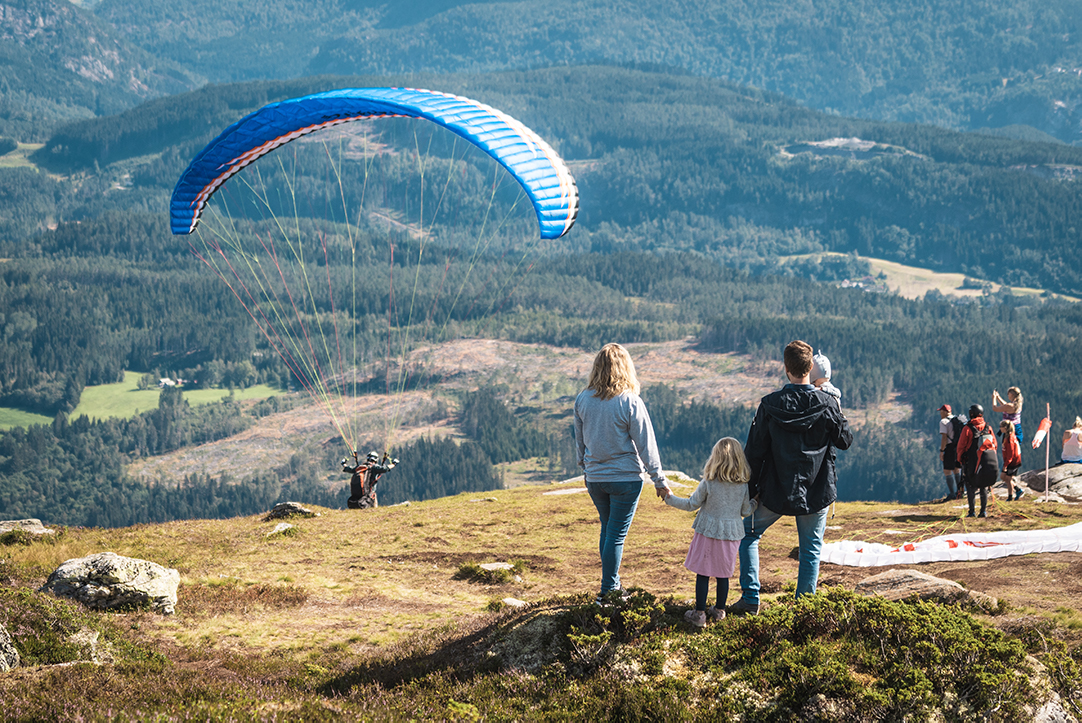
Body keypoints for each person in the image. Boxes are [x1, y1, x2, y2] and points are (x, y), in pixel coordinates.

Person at [732, 340, 853, 615]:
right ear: (810, 367)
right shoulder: (827, 404)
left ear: (785, 368)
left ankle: (751, 597)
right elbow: (845, 440)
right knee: (810, 549)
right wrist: (837, 408)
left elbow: (754, 453)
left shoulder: (769, 405)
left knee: (748, 534)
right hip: (816, 489)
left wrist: (751, 493)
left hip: (775, 489)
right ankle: (804, 608)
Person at [574, 343, 670, 601]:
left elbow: (580, 441)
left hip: (595, 479)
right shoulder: (629, 401)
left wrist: (585, 468)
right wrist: (658, 479)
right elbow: (646, 443)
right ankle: (607, 593)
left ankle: (612, 586)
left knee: (607, 530)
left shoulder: (582, 399)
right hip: (625, 478)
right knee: (615, 535)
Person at [662, 437, 755, 627]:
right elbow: (745, 511)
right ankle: (720, 611)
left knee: (703, 573)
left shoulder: (709, 482)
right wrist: (756, 502)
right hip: (731, 535)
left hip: (708, 532)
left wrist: (668, 498)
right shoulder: (743, 485)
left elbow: (690, 504)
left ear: (715, 458)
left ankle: (699, 614)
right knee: (723, 574)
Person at [956, 404, 998, 518]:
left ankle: (972, 512)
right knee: (984, 485)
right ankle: (983, 511)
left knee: (970, 486)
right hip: (985, 462)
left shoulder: (967, 428)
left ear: (971, 414)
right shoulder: (988, 428)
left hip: (971, 461)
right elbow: (995, 444)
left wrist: (959, 459)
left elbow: (961, 446)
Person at [938, 404, 964, 500]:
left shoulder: (943, 421)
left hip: (949, 447)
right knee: (957, 469)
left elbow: (944, 437)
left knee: (947, 470)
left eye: (941, 411)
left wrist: (942, 451)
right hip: (958, 446)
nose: (940, 414)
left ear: (945, 412)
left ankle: (952, 494)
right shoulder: (957, 419)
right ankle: (960, 492)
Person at [998, 420, 1024, 501]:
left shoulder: (1010, 439)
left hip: (1013, 462)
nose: (1000, 429)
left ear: (1005, 428)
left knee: (1008, 479)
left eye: (1001, 427)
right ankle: (1017, 489)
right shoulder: (1005, 436)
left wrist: (1005, 465)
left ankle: (1010, 497)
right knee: (1003, 477)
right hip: (1009, 460)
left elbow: (1010, 455)